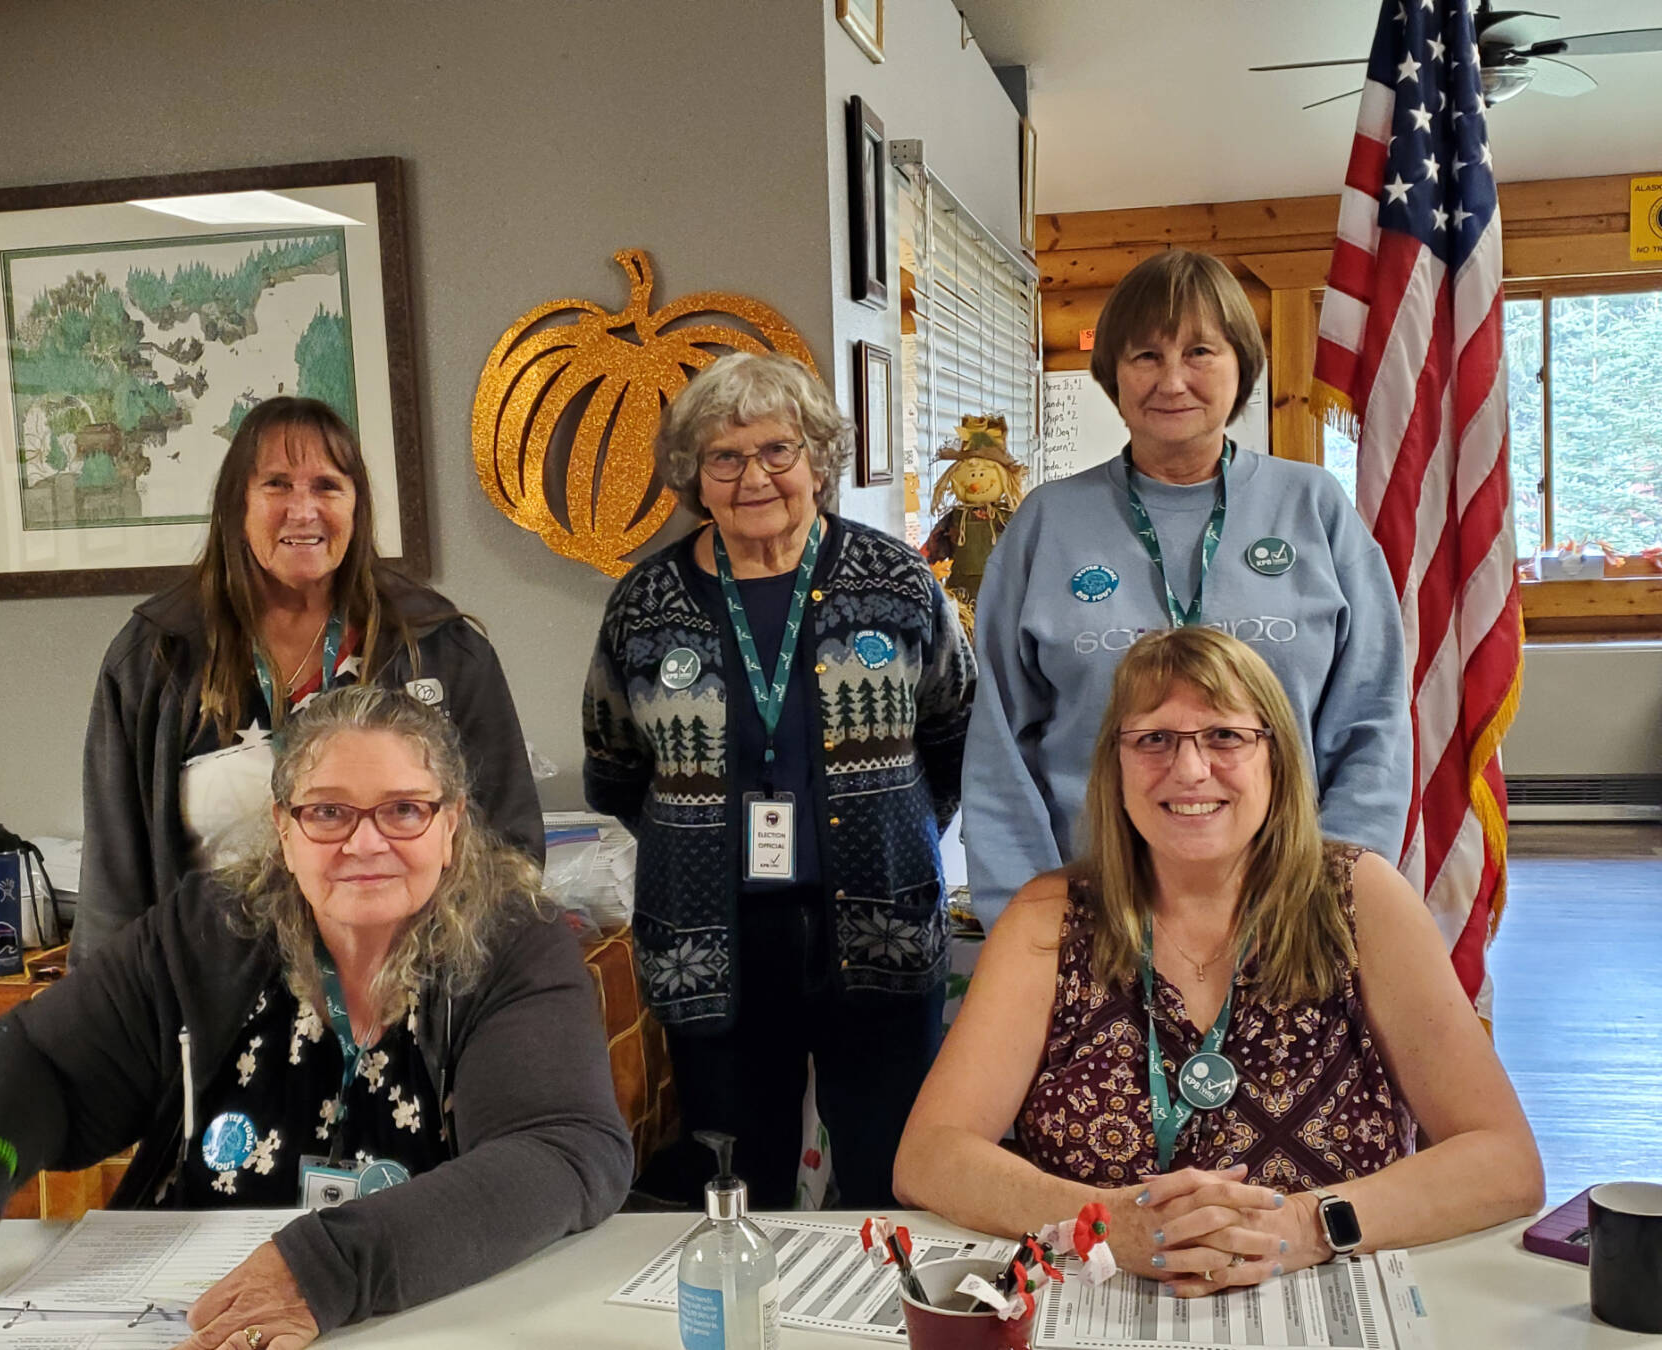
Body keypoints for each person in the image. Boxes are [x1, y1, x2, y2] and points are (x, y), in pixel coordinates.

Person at [0, 687, 632, 1346]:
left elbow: (563, 1151)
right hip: (190, 1317)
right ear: (284, 827)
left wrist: (327, 1270)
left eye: (404, 810)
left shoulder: (512, 941)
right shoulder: (211, 928)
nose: (367, 843)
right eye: (328, 812)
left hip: (423, 1316)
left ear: (452, 823)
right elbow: (40, 1055)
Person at [895, 627, 1542, 1295]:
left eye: (1225, 737)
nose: (1191, 770)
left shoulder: (1363, 901)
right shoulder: (1049, 918)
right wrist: (1104, 1222)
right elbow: (931, 1156)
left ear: (1276, 758)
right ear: (1115, 769)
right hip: (1098, 1313)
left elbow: (1503, 1162)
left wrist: (1302, 1227)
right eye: (1154, 740)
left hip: (1322, 1309)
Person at [582, 351, 975, 1208]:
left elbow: (953, 735)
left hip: (881, 922)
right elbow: (613, 767)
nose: (753, 476)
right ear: (694, 474)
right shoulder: (646, 603)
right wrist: (700, 838)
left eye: (777, 451)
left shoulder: (898, 582)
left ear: (818, 461)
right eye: (724, 457)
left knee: (894, 1170)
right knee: (735, 1179)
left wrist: (893, 825)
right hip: (709, 938)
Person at [962, 250, 1411, 926]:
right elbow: (998, 744)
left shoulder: (1313, 509)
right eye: (1145, 356)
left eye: (1200, 351)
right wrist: (1027, 921)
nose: (1172, 381)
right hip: (1095, 911)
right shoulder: (1046, 525)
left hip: (1288, 912)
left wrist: (1336, 895)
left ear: (1242, 367)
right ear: (1112, 373)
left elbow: (1372, 723)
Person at [75, 396, 544, 962]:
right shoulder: (158, 654)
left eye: (326, 486)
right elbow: (113, 882)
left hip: (406, 988)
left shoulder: (439, 647)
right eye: (276, 484)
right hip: (212, 991)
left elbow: (509, 852)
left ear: (357, 507)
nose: (304, 511)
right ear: (237, 506)